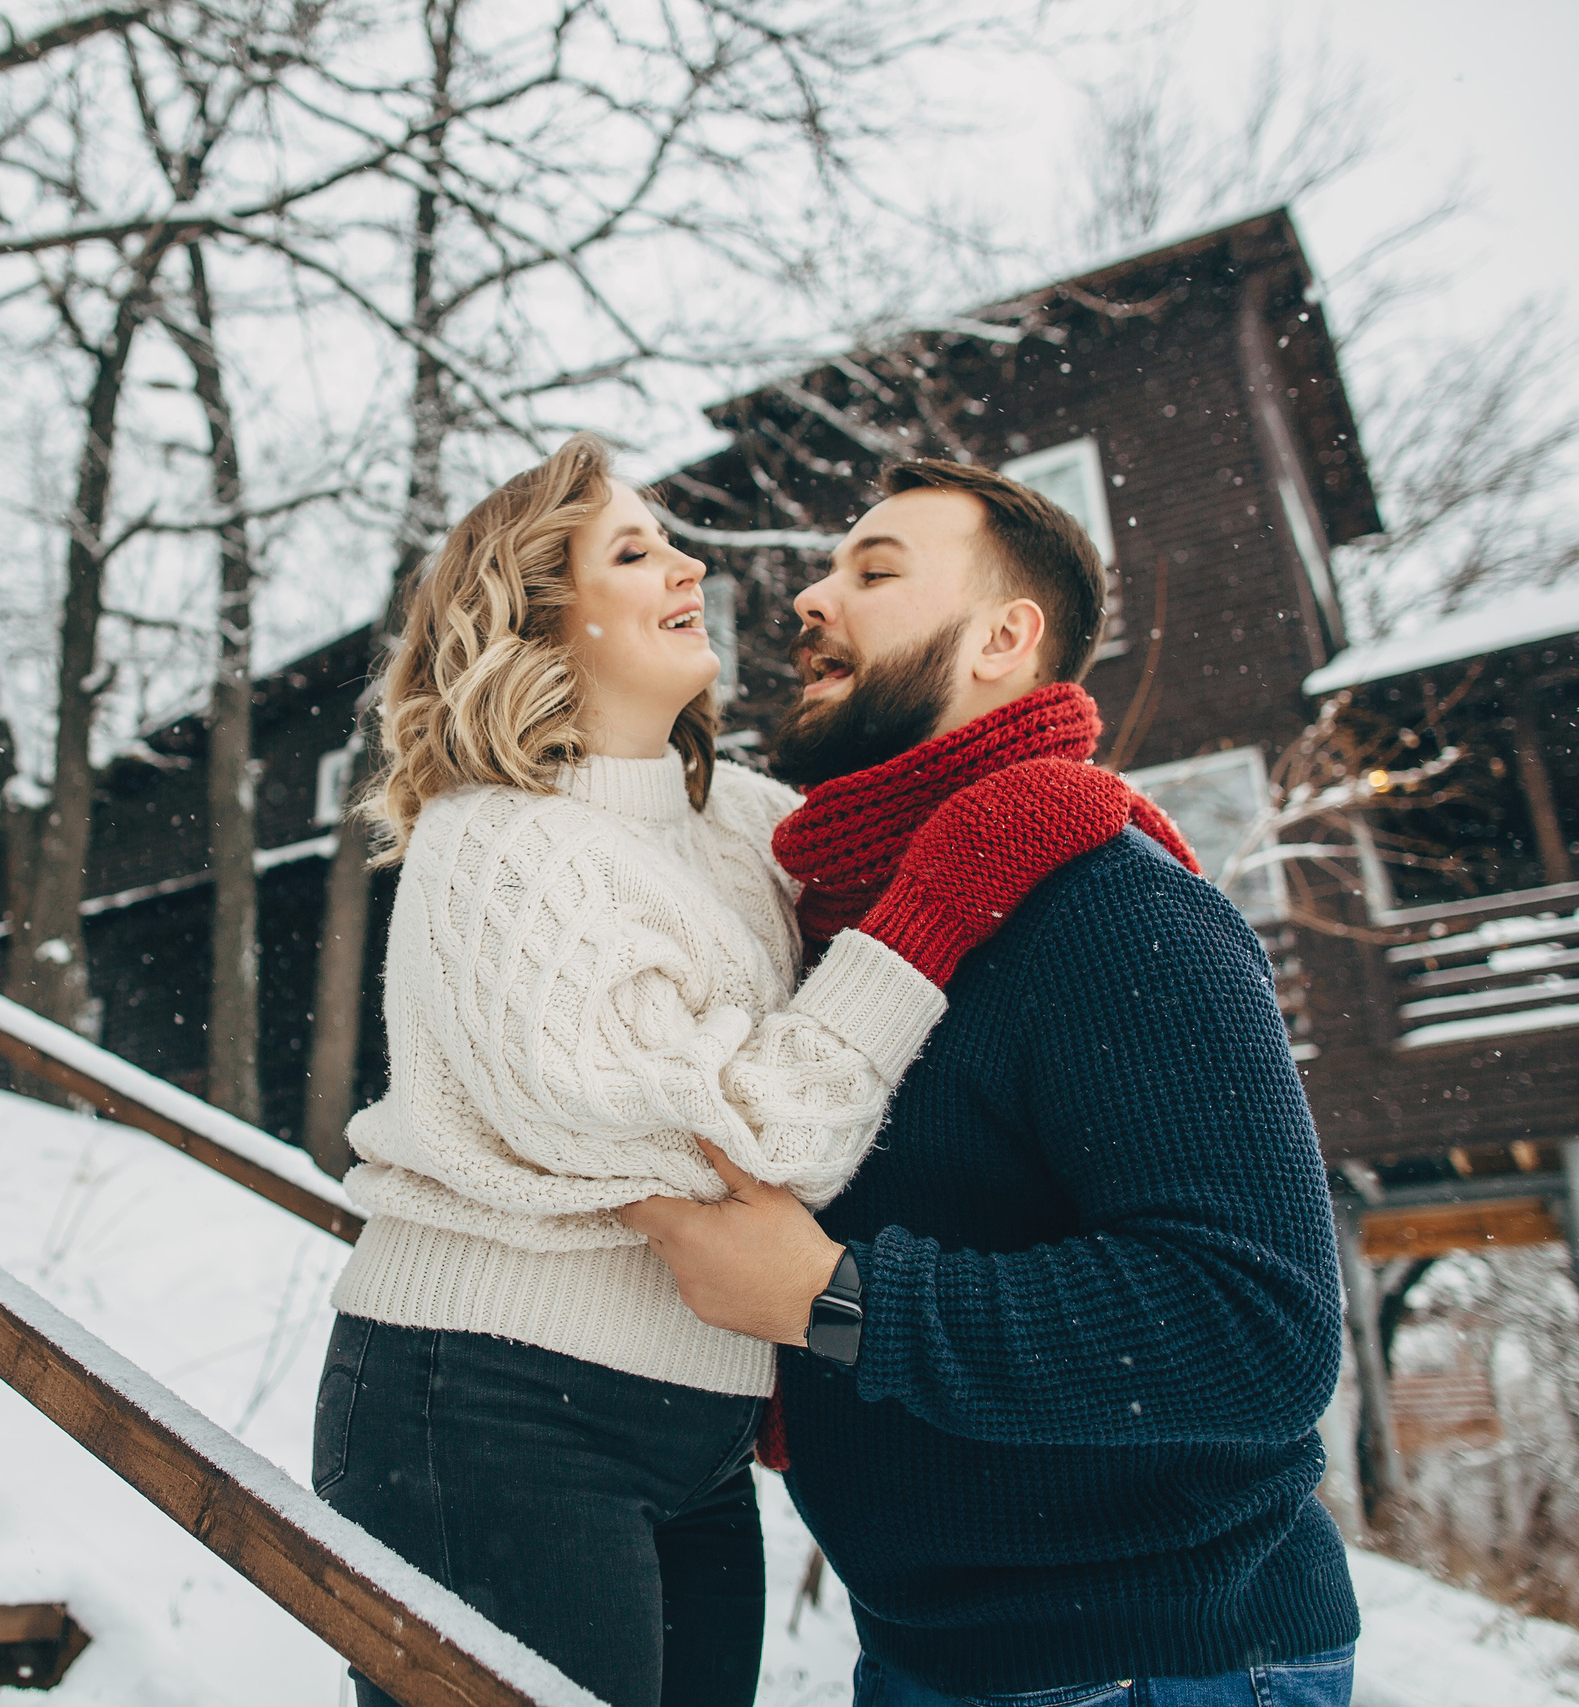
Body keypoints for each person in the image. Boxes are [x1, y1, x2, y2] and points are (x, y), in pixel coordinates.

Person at [311, 436, 1166, 1707]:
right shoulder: (498, 848)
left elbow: (954, 828)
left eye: (673, 538)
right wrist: (925, 920)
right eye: (634, 549)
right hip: (486, 1399)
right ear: (540, 616)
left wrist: (1111, 833)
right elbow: (749, 1148)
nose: (688, 565)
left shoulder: (748, 825)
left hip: (696, 1426)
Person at [623, 458, 1360, 1707]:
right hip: (937, 1656)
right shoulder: (861, 924)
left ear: (1005, 638)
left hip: (1149, 1665)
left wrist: (837, 1301)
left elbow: (1260, 1330)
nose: (810, 597)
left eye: (875, 571)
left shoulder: (1107, 907)